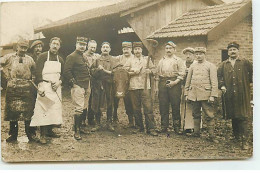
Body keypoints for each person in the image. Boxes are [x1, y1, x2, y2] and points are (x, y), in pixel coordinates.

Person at [1, 38, 38, 143]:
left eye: (25, 48)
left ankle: (31, 134)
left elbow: (34, 71)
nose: (23, 50)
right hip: (13, 87)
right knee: (13, 113)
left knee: (29, 113)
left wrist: (32, 80)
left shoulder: (30, 59)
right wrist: (5, 74)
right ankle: (13, 135)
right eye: (21, 47)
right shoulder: (9, 57)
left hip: (27, 88)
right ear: (17, 47)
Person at [217, 42, 252, 150]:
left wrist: (248, 84)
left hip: (242, 93)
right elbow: (219, 77)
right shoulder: (223, 64)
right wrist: (222, 86)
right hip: (230, 94)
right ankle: (237, 137)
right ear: (228, 52)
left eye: (234, 49)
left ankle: (244, 140)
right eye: (230, 50)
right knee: (233, 115)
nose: (232, 51)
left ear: (238, 51)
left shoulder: (245, 62)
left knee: (243, 116)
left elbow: (254, 73)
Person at [30, 37, 64, 144]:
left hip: (56, 88)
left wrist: (59, 82)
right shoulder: (43, 56)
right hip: (44, 86)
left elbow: (64, 74)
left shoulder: (61, 59)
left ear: (59, 46)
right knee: (44, 109)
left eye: (57, 44)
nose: (55, 46)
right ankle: (43, 135)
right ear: (50, 44)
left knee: (53, 109)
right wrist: (40, 86)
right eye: (53, 43)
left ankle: (50, 131)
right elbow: (38, 72)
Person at [184, 47, 219, 143]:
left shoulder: (210, 66)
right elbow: (188, 81)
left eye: (200, 54)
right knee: (195, 114)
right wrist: (186, 93)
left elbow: (214, 82)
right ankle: (196, 133)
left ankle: (211, 136)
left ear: (204, 54)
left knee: (209, 115)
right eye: (197, 54)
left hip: (206, 94)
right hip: (194, 94)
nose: (198, 56)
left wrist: (213, 95)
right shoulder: (192, 66)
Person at [124, 41, 158, 136]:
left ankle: (151, 128)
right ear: (133, 50)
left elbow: (155, 70)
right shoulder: (130, 60)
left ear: (141, 50)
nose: (137, 51)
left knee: (148, 108)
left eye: (139, 49)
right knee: (136, 108)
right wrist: (133, 71)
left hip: (145, 87)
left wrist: (150, 71)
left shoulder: (146, 59)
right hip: (133, 87)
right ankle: (139, 127)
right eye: (135, 49)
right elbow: (124, 71)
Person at [155, 41, 185, 135]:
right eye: (167, 48)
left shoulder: (179, 60)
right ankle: (164, 126)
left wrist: (174, 82)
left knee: (175, 105)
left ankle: (177, 127)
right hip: (163, 82)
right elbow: (157, 75)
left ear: (174, 50)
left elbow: (182, 74)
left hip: (175, 83)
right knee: (163, 105)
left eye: (170, 48)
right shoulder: (162, 60)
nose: (168, 50)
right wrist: (157, 87)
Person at [64, 37, 90, 140]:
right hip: (78, 85)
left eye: (84, 45)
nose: (82, 46)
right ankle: (76, 131)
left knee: (84, 106)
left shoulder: (83, 56)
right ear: (76, 44)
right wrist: (73, 83)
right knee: (79, 108)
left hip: (87, 85)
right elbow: (66, 71)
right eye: (80, 44)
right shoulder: (71, 56)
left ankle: (82, 127)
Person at [90, 42, 116, 132]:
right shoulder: (97, 60)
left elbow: (115, 72)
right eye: (103, 47)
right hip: (98, 85)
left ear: (110, 49)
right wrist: (98, 69)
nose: (105, 49)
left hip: (109, 85)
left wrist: (104, 70)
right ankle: (97, 123)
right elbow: (92, 71)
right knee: (97, 103)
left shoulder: (113, 60)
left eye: (107, 47)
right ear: (101, 49)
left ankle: (109, 123)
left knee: (109, 102)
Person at [113, 41, 134, 128]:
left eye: (128, 49)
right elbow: (112, 64)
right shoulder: (118, 58)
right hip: (118, 84)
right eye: (124, 49)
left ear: (131, 49)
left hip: (129, 83)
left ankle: (131, 121)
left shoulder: (134, 58)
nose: (126, 50)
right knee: (115, 101)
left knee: (129, 102)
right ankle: (114, 117)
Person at [83, 40, 101, 128]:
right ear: (87, 47)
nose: (93, 49)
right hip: (86, 80)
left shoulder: (97, 56)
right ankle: (82, 120)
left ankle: (91, 118)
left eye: (94, 47)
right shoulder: (83, 56)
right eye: (91, 47)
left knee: (93, 99)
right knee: (85, 100)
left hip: (95, 81)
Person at [180, 47, 195, 134]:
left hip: (193, 88)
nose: (188, 56)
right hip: (183, 86)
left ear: (193, 56)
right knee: (183, 105)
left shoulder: (196, 64)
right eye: (186, 54)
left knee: (192, 106)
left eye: (190, 54)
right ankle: (182, 125)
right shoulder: (182, 64)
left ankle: (191, 126)